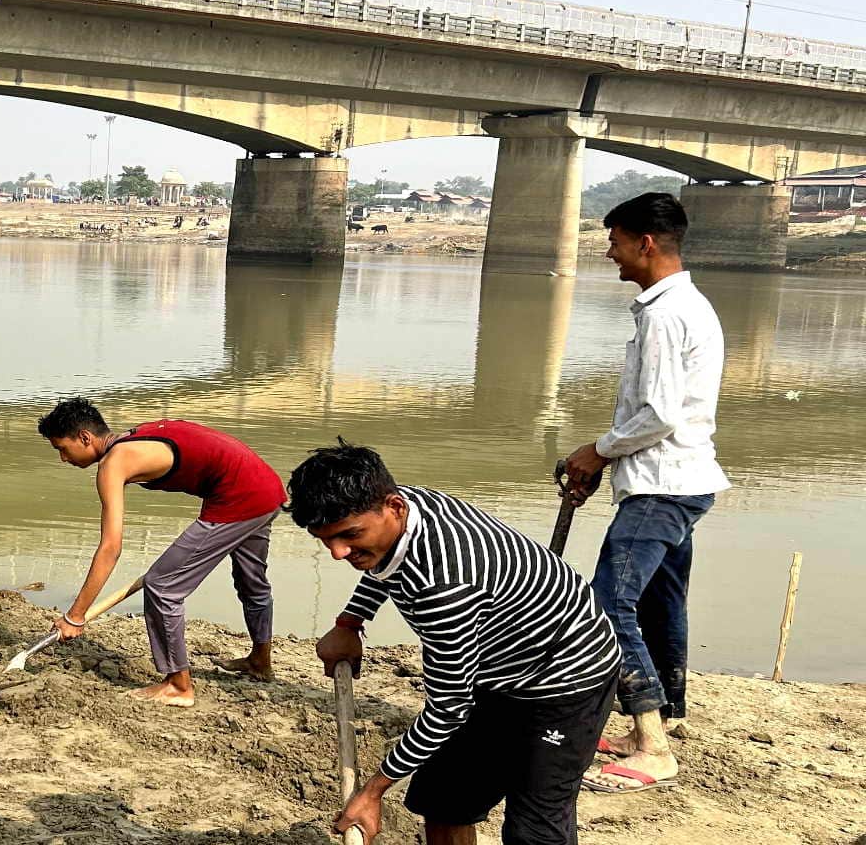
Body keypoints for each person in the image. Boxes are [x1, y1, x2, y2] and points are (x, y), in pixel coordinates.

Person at [294, 441, 620, 845]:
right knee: (445, 801)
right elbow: (384, 561)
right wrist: (351, 621)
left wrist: (373, 792)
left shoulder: (442, 588)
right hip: (495, 661)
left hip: (567, 676)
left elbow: (448, 708)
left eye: (349, 535)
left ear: (394, 507)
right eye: (325, 540)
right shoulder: (402, 503)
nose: (338, 553)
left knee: (535, 828)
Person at [559, 192, 728, 793]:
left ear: (645, 243)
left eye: (615, 242)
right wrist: (604, 455)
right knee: (660, 602)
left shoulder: (665, 314)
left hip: (662, 484)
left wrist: (597, 451)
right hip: (681, 479)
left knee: (608, 605)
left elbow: (657, 414)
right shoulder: (686, 305)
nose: (610, 253)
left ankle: (654, 747)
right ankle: (659, 719)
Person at [36, 398, 285, 706]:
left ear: (85, 437)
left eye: (62, 448)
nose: (63, 458)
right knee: (251, 582)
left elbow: (111, 547)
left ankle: (178, 685)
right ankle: (260, 661)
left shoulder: (114, 462)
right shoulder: (136, 437)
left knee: (162, 586)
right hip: (266, 488)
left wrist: (75, 616)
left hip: (238, 497)